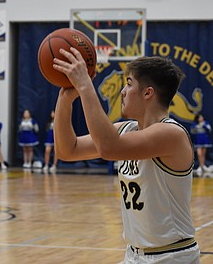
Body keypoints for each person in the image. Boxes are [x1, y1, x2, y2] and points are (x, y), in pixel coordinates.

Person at [53, 48, 200, 263]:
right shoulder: (126, 130)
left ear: (148, 93)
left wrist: (85, 86)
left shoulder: (171, 133)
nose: (123, 91)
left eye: (129, 84)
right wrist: (65, 100)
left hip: (171, 257)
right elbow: (68, 150)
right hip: (134, 255)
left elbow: (108, 148)